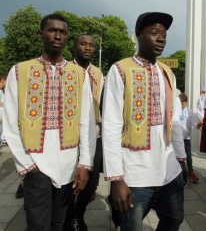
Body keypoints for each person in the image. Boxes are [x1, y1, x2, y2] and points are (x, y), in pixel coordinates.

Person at [3, 13, 96, 231]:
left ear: (67, 37)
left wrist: (84, 163)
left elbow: (86, 122)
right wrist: (27, 166)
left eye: (62, 32)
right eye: (52, 30)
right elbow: (10, 122)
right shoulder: (20, 71)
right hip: (36, 165)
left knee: (59, 223)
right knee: (38, 225)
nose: (57, 36)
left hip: (68, 165)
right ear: (41, 34)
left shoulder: (79, 74)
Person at [102, 12, 187, 231]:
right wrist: (116, 179)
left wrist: (181, 157)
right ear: (139, 35)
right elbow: (110, 125)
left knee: (174, 219)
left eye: (164, 34)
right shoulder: (120, 70)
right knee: (132, 227)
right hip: (135, 176)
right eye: (154, 33)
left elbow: (173, 120)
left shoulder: (167, 72)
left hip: (169, 172)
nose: (161, 38)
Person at [64, 34, 104, 231]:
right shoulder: (67, 70)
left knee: (91, 182)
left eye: (91, 45)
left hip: (93, 134)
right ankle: (68, 218)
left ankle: (78, 214)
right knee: (70, 182)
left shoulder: (98, 72)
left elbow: (99, 101)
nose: (87, 48)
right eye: (83, 44)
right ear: (75, 46)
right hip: (71, 133)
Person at [179, 92, 199, 182]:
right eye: (180, 103)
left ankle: (190, 172)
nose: (182, 105)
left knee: (188, 156)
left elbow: (194, 123)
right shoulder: (176, 111)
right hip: (177, 138)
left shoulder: (189, 111)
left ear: (186, 102)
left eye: (183, 103)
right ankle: (179, 172)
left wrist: (198, 125)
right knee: (178, 156)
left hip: (186, 137)